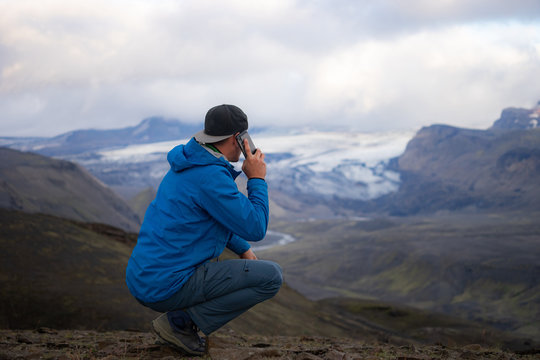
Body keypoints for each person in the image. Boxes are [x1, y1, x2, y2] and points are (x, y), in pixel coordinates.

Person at [125, 104, 282, 356]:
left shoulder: (189, 164)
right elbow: (256, 226)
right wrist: (257, 179)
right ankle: (180, 324)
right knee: (271, 277)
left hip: (145, 277)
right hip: (166, 285)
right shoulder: (210, 177)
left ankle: (180, 321)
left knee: (254, 270)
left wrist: (243, 249)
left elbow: (209, 216)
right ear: (237, 139)